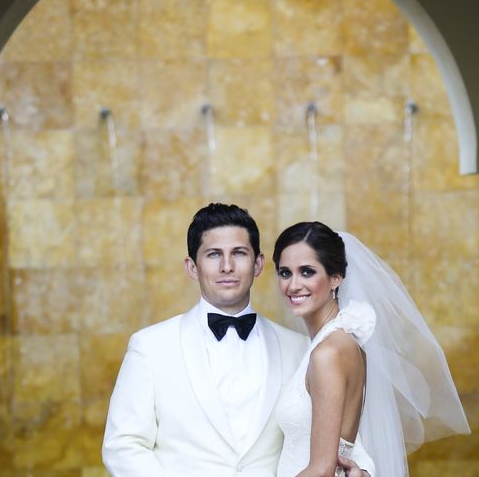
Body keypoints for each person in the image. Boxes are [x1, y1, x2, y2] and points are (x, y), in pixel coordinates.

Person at [102, 204, 374, 477]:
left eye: (239, 253)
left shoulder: (301, 347)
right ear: (192, 267)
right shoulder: (150, 347)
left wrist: (363, 473)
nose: (227, 267)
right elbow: (122, 445)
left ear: (258, 264)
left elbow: (345, 441)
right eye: (213, 255)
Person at [272, 222, 471, 477]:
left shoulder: (328, 353)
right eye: (285, 273)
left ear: (336, 278)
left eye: (307, 272)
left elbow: (322, 469)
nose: (293, 285)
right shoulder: (341, 340)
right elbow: (347, 445)